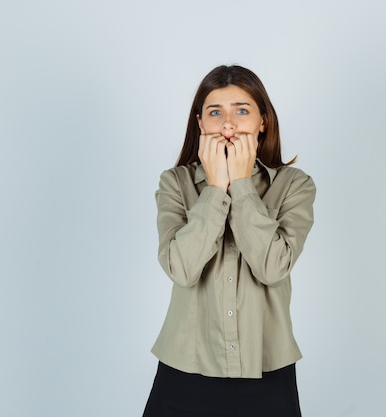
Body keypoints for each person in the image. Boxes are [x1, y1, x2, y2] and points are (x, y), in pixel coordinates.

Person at [143, 65, 316, 417]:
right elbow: (182, 269)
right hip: (185, 371)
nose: (228, 124)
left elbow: (272, 268)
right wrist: (215, 189)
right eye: (215, 112)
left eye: (241, 110)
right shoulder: (175, 184)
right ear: (200, 124)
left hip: (267, 369)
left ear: (262, 121)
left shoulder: (294, 185)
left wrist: (240, 185)